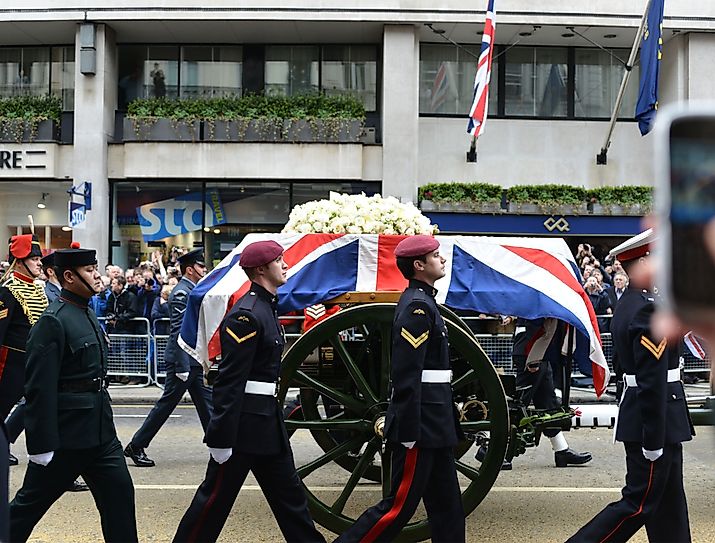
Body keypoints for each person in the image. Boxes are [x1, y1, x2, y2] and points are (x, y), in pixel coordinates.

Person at [173, 241, 324, 543]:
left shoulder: (266, 307)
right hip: (243, 427)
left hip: (266, 422)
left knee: (291, 501)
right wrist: (220, 436)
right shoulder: (247, 315)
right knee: (213, 503)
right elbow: (230, 380)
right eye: (278, 261)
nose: (285, 265)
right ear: (260, 270)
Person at [336, 235, 465, 543]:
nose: (442, 259)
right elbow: (407, 373)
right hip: (420, 423)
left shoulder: (424, 302)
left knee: (448, 507)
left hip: (435, 420)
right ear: (419, 265)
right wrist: (407, 427)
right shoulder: (417, 308)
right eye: (435, 256)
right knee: (397, 508)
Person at [567, 229, 694, 542]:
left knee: (669, 506)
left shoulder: (634, 303)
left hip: (657, 417)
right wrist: (653, 440)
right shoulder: (647, 309)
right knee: (638, 504)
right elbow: (651, 381)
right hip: (654, 420)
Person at [8, 245, 138, 543]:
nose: (97, 276)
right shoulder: (54, 319)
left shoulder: (87, 312)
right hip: (66, 437)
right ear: (69, 276)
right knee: (26, 509)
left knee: (120, 499)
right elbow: (39, 388)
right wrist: (40, 445)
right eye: (90, 271)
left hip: (101, 435)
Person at [124, 249, 212, 467]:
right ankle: (136, 445)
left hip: (193, 360)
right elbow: (180, 330)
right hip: (183, 360)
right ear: (190, 269)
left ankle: (220, 446)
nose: (205, 270)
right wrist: (182, 364)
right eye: (201, 267)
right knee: (166, 406)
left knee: (207, 404)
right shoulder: (183, 292)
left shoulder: (192, 289)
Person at [0, 235, 48, 465]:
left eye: (39, 258)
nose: (40, 263)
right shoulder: (7, 291)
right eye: (34, 258)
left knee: (38, 407)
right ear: (19, 262)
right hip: (11, 361)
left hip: (35, 361)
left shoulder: (37, 290)